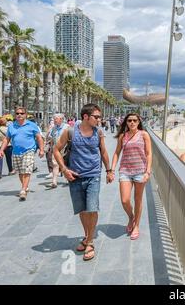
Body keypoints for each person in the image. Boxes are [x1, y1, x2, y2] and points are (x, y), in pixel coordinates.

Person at [53, 104, 112, 261]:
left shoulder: (98, 132)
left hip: (94, 175)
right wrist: (64, 170)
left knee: (92, 208)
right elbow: (56, 149)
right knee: (82, 210)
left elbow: (104, 152)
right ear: (86, 117)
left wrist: (109, 170)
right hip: (75, 176)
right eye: (96, 117)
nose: (99, 120)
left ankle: (90, 242)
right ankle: (87, 237)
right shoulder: (71, 132)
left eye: (100, 117)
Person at [110, 113, 152, 241]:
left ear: (139, 122)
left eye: (135, 120)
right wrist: (111, 169)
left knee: (138, 199)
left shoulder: (144, 134)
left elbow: (149, 154)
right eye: (129, 121)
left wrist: (147, 172)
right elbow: (117, 153)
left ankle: (136, 226)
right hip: (125, 171)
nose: (132, 123)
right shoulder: (123, 136)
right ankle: (131, 217)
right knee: (125, 200)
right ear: (126, 122)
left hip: (140, 171)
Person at [0, 107, 44, 200]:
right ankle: (25, 186)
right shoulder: (11, 126)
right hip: (16, 152)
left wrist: (41, 149)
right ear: (15, 115)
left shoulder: (32, 125)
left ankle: (23, 189)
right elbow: (7, 139)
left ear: (25, 115)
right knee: (20, 172)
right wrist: (1, 150)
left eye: (22, 113)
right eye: (17, 113)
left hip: (29, 150)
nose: (19, 115)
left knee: (26, 169)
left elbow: (39, 138)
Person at [46, 114, 68, 189]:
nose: (55, 120)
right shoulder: (53, 128)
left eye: (56, 119)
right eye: (54, 119)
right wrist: (51, 148)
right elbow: (51, 138)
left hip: (65, 149)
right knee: (55, 164)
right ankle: (54, 182)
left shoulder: (67, 127)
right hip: (56, 149)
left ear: (61, 119)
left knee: (65, 164)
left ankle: (67, 178)